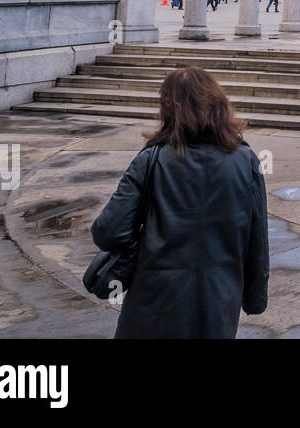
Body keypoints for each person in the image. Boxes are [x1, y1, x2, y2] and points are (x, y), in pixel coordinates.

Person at [90, 66, 269, 338]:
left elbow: (108, 231)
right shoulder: (247, 162)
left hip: (155, 301)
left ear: (168, 108)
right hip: (218, 304)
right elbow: (257, 240)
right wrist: (254, 298)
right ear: (219, 105)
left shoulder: (150, 160)